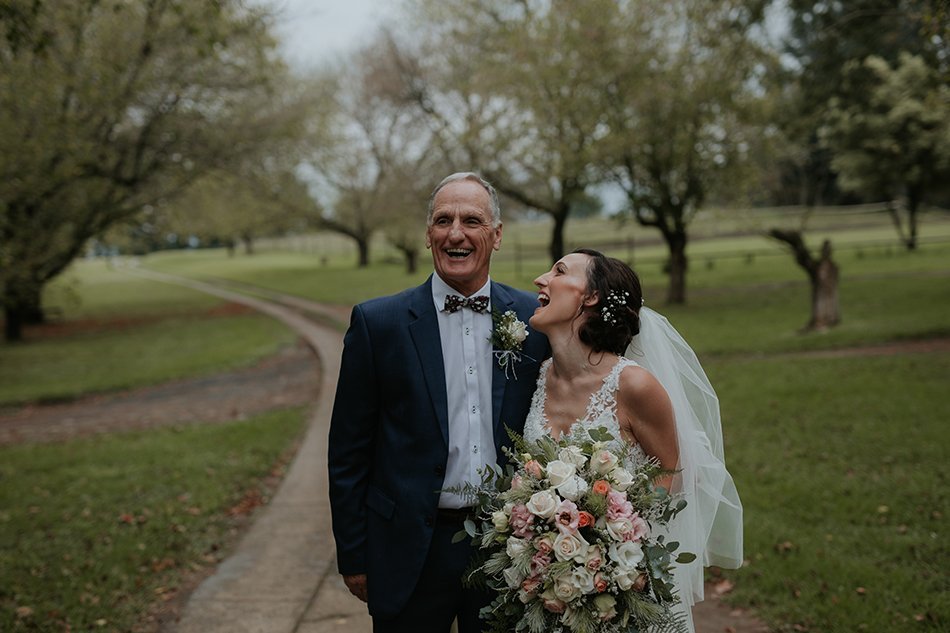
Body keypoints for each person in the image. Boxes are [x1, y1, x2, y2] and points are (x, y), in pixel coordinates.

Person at [327, 172, 549, 632]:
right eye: (443, 220)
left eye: (472, 220)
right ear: (428, 235)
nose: (456, 233)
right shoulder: (378, 324)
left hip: (511, 546)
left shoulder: (536, 320)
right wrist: (354, 554)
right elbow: (347, 453)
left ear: (497, 235)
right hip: (408, 547)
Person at [523, 248, 743, 631]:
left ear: (590, 297)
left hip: (620, 588)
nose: (540, 280)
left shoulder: (634, 384)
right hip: (551, 587)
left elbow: (674, 473)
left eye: (558, 271)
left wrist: (609, 541)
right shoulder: (541, 375)